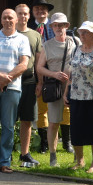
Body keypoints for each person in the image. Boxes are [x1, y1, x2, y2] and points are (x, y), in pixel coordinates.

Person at [0, 9, 31, 173]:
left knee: (9, 126)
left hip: (12, 88)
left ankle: (5, 162)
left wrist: (4, 80)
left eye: (11, 17)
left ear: (16, 20)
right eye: (5, 18)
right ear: (1, 21)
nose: (8, 20)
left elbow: (23, 64)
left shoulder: (23, 39)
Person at [65, 21, 93, 173]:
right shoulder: (76, 50)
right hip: (77, 97)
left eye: (85, 32)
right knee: (77, 131)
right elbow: (72, 74)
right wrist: (66, 92)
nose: (82, 35)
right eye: (81, 32)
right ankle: (80, 161)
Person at [38, 12, 79, 167]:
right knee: (54, 122)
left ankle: (77, 155)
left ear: (66, 26)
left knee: (75, 121)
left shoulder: (75, 42)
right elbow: (39, 68)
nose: (58, 28)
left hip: (74, 86)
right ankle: (53, 156)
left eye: (61, 25)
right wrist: (54, 74)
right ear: (52, 27)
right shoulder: (47, 45)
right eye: (55, 25)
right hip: (54, 88)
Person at [14, 4, 45, 168]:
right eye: (20, 14)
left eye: (25, 14)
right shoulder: (8, 34)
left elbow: (39, 61)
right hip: (11, 82)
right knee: (8, 119)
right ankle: (7, 152)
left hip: (29, 82)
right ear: (15, 16)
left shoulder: (35, 35)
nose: (23, 17)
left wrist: (40, 82)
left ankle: (24, 154)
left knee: (27, 120)